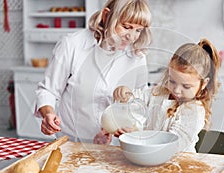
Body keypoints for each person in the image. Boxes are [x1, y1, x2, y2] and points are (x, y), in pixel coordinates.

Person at [35, 0, 152, 143]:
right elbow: (48, 90)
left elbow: (142, 102)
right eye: (126, 27)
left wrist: (134, 126)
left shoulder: (138, 56)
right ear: (106, 16)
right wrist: (48, 114)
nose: (131, 37)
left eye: (138, 30)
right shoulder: (72, 45)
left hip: (117, 147)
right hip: (73, 142)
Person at [110, 39, 221, 152]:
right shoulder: (158, 93)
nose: (176, 90)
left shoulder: (194, 111)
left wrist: (137, 136)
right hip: (150, 159)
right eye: (172, 81)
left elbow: (171, 145)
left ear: (204, 84)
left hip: (178, 165)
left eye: (186, 87)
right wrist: (125, 94)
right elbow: (136, 100)